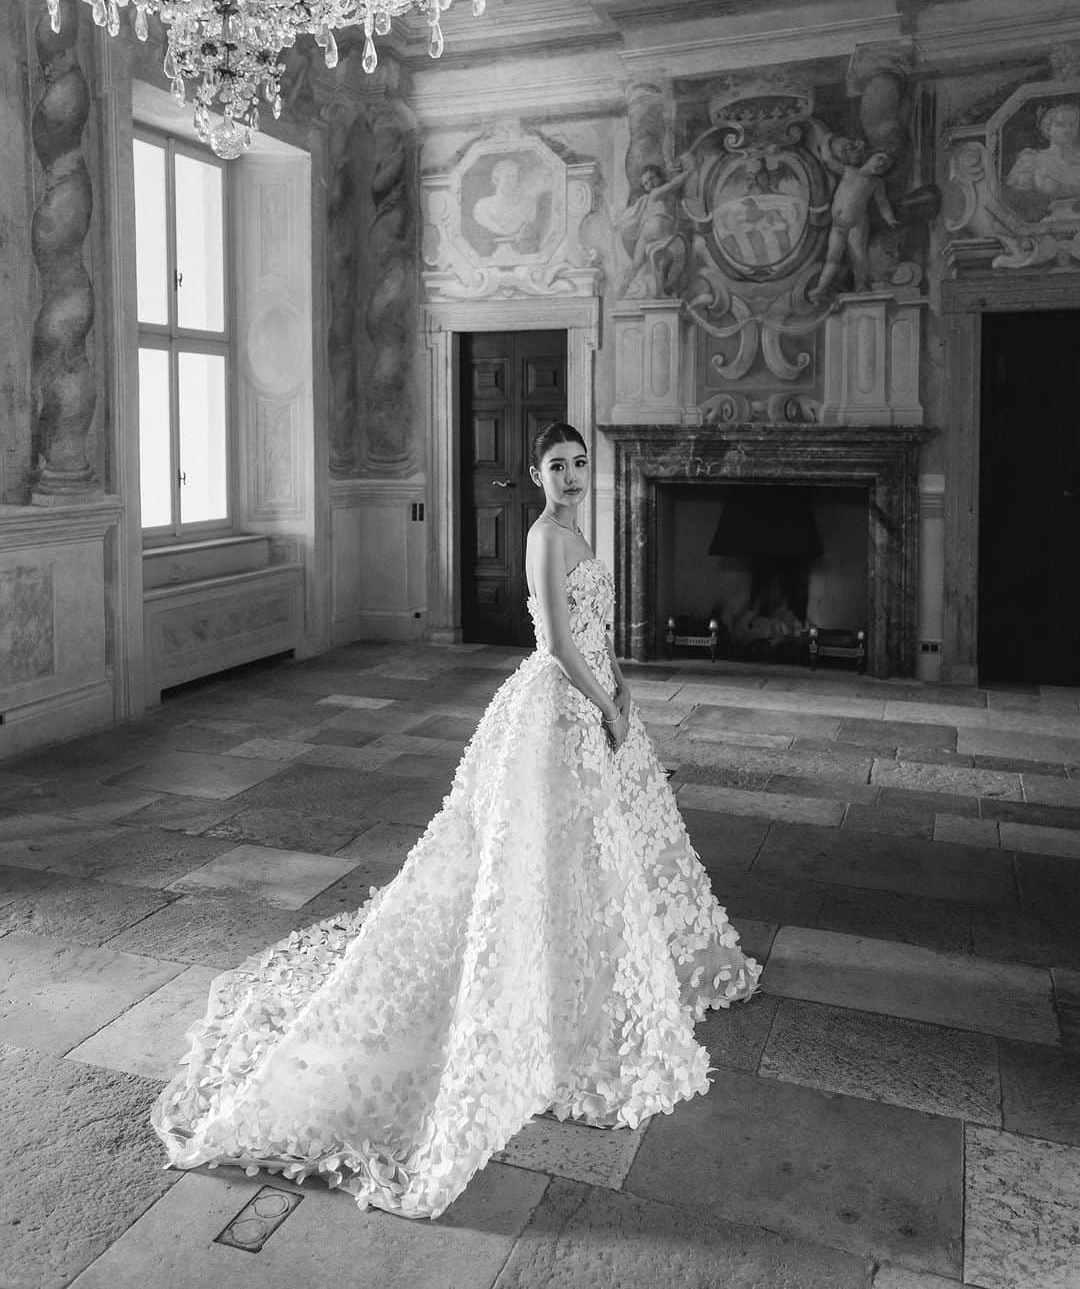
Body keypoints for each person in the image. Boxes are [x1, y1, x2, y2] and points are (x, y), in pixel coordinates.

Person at [151, 423, 761, 1220]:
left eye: (580, 465)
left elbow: (597, 634)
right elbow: (556, 645)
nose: (571, 477)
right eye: (556, 466)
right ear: (534, 472)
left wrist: (623, 687)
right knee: (538, 853)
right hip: (558, 709)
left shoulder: (578, 527)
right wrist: (604, 700)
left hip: (599, 702)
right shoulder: (546, 534)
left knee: (598, 851)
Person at [809, 138, 898, 302]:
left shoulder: (876, 183)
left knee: (858, 255)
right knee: (832, 258)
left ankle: (861, 285)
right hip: (838, 225)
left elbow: (882, 202)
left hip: (858, 223)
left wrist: (890, 218)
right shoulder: (850, 171)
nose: (881, 164)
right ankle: (821, 288)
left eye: (885, 166)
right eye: (880, 159)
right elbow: (828, 160)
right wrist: (827, 140)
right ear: (870, 156)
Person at [618, 155, 694, 298]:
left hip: (646, 233)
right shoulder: (656, 193)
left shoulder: (667, 198)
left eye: (651, 179)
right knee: (664, 258)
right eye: (646, 183)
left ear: (660, 176)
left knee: (637, 263)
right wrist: (689, 172)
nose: (649, 184)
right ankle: (656, 290)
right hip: (657, 228)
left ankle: (623, 290)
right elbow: (673, 185)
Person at [1005, 100, 1080, 210]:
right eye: (1061, 124)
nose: (1068, 129)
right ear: (1048, 128)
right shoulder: (1031, 161)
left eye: (1072, 125)